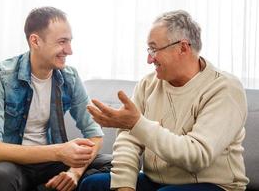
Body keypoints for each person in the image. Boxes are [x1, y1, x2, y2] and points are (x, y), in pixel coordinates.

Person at [79, 10, 249, 191]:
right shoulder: (148, 83)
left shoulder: (224, 88)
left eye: (154, 49)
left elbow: (196, 156)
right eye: (148, 49)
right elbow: (128, 141)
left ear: (183, 47)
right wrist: (124, 186)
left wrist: (137, 124)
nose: (149, 59)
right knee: (93, 185)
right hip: (157, 182)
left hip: (214, 185)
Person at [0, 6, 111, 191]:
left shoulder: (69, 77)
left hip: (49, 166)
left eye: (70, 41)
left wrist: (74, 172)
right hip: (11, 164)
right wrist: (59, 152)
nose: (69, 50)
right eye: (62, 42)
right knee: (2, 174)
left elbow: (95, 134)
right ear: (35, 41)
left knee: (114, 165)